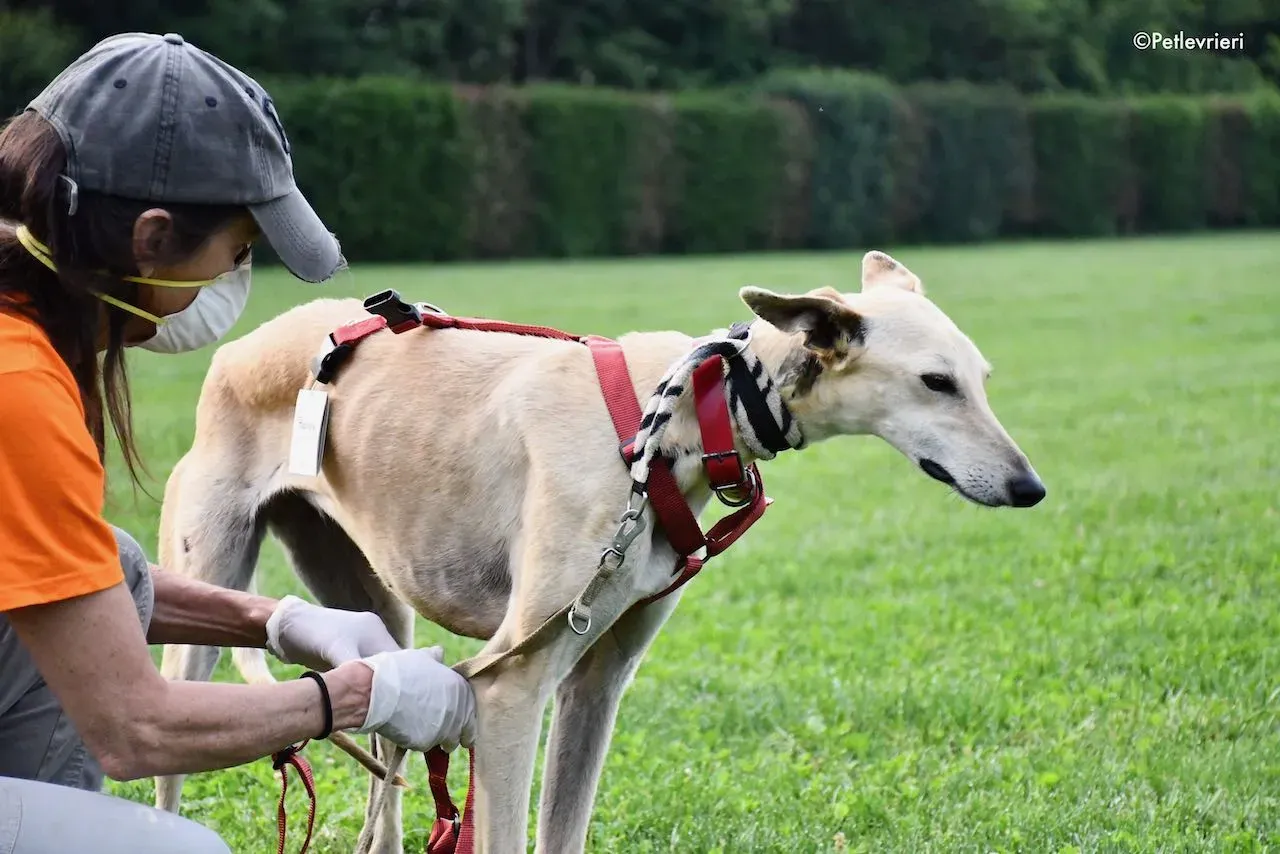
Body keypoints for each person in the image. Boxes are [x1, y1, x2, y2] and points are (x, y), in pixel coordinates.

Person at [0, 32, 476, 853]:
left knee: (111, 559)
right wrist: (362, 695)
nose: (236, 277)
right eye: (238, 252)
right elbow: (134, 727)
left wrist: (278, 622)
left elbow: (75, 586)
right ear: (151, 238)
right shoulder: (19, 391)